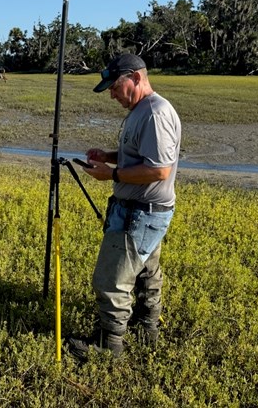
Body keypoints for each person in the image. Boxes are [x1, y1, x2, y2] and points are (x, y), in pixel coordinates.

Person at [66, 53, 181, 360]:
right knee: (146, 272)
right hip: (144, 211)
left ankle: (109, 346)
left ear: (135, 78)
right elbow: (141, 156)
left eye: (115, 87)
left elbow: (159, 170)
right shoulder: (142, 110)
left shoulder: (155, 114)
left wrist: (111, 174)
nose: (113, 95)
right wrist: (109, 156)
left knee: (111, 281)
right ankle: (147, 329)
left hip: (139, 213)